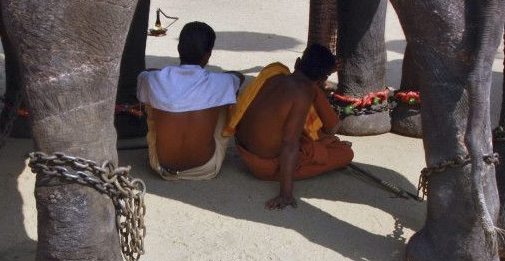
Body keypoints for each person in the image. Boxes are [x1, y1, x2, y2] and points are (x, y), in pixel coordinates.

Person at [222, 44, 354, 210]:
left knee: (317, 132)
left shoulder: (275, 72)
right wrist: (286, 193)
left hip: (245, 148)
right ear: (322, 79)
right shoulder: (303, 92)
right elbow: (289, 144)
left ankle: (326, 142)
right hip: (264, 165)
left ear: (297, 62)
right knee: (345, 154)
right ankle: (328, 144)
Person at [137, 21, 244, 180]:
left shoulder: (153, 79)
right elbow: (239, 77)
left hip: (161, 167)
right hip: (206, 169)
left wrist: (163, 75)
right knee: (224, 98)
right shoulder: (221, 82)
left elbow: (144, 74)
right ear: (208, 55)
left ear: (179, 49)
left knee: (152, 101)